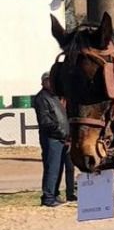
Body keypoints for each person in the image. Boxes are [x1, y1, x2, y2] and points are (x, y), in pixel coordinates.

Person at [34, 72, 76, 207]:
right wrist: (63, 133)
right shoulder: (42, 98)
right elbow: (46, 122)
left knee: (59, 168)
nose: (52, 83)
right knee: (52, 168)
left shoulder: (56, 97)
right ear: (43, 82)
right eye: (48, 80)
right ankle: (48, 197)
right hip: (52, 139)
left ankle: (55, 194)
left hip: (62, 138)